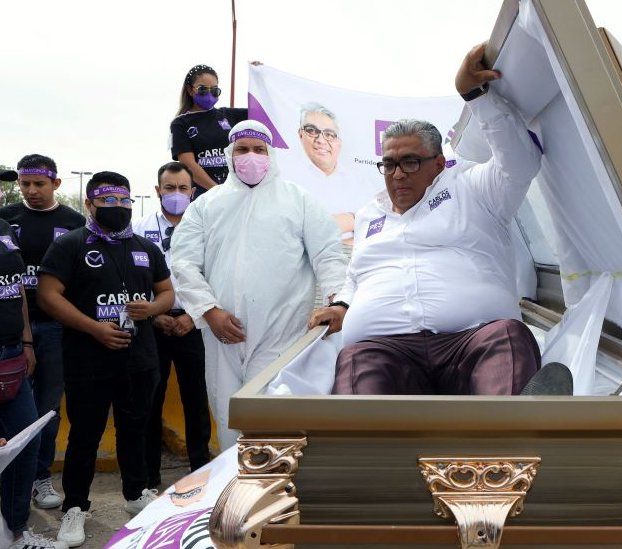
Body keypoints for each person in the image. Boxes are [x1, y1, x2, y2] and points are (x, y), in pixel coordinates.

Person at [312, 42, 543, 396]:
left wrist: (474, 94)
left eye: (410, 162)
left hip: (471, 341)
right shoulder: (369, 215)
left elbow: (520, 162)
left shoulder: (473, 188)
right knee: (356, 362)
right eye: (389, 164)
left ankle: (499, 449)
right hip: (384, 349)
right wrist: (343, 305)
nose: (398, 174)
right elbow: (358, 276)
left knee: (509, 338)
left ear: (437, 164)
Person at [170, 120, 347, 450]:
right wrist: (209, 311)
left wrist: (338, 302)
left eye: (258, 149)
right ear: (229, 154)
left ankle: (274, 498)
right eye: (242, 149)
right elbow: (183, 263)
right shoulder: (206, 206)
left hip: (281, 337)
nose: (250, 156)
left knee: (273, 424)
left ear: (272, 155)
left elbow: (329, 255)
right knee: (228, 418)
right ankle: (236, 495)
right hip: (221, 336)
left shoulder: (299, 201)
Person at [37, 172, 174, 547]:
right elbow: (49, 295)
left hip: (140, 358)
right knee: (85, 435)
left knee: (136, 430)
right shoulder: (71, 244)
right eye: (108, 201)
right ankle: (75, 507)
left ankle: (136, 494)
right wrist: (93, 328)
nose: (118, 208)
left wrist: (152, 309)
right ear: (90, 203)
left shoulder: (147, 248)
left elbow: (166, 292)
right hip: (88, 360)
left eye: (124, 201)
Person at [0, 154, 85, 511]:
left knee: (47, 408)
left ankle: (40, 477)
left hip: (54, 329)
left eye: (39, 184)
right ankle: (12, 483)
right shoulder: (7, 221)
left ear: (56, 184)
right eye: (25, 184)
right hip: (12, 331)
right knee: (15, 413)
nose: (31, 191)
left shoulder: (74, 222)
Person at [132, 162, 211, 488]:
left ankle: (201, 471)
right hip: (153, 325)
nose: (176, 195)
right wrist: (155, 314)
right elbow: (133, 279)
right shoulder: (139, 228)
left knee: (197, 400)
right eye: (169, 188)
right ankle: (149, 479)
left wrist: (193, 316)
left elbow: (215, 276)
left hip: (194, 324)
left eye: (182, 189)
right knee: (150, 399)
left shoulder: (208, 229)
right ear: (157, 190)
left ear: (193, 192)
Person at [0, 219, 66, 549]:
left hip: (12, 355)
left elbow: (17, 291)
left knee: (24, 444)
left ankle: (14, 532)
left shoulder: (4, 230)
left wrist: (26, 342)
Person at [297, 103, 384, 246]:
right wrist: (352, 219)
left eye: (329, 134)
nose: (320, 140)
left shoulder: (359, 181)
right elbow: (299, 234)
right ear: (300, 134)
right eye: (311, 131)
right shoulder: (288, 181)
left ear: (339, 142)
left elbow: (376, 226)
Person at [169, 64, 248, 197]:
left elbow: (264, 109)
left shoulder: (229, 115)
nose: (209, 94)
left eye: (215, 90)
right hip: (203, 197)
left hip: (235, 194)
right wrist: (216, 191)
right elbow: (188, 164)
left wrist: (260, 75)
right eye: (203, 89)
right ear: (190, 90)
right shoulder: (180, 124)